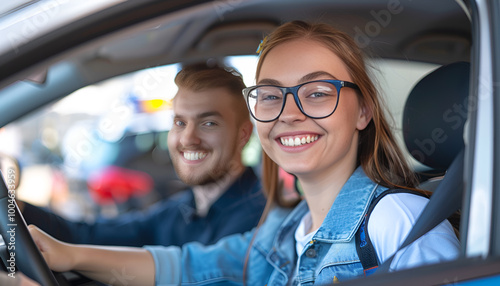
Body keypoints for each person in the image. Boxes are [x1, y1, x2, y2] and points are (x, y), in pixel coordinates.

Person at [28, 21, 460, 285]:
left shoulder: (397, 221)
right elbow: (189, 268)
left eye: (316, 92)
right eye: (271, 96)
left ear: (363, 110)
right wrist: (68, 256)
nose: (289, 114)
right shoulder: (284, 231)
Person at [21, 63, 266, 247]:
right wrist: (15, 207)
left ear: (243, 134)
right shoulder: (179, 211)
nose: (188, 138)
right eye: (180, 122)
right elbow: (87, 236)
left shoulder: (263, 219)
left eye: (209, 123)